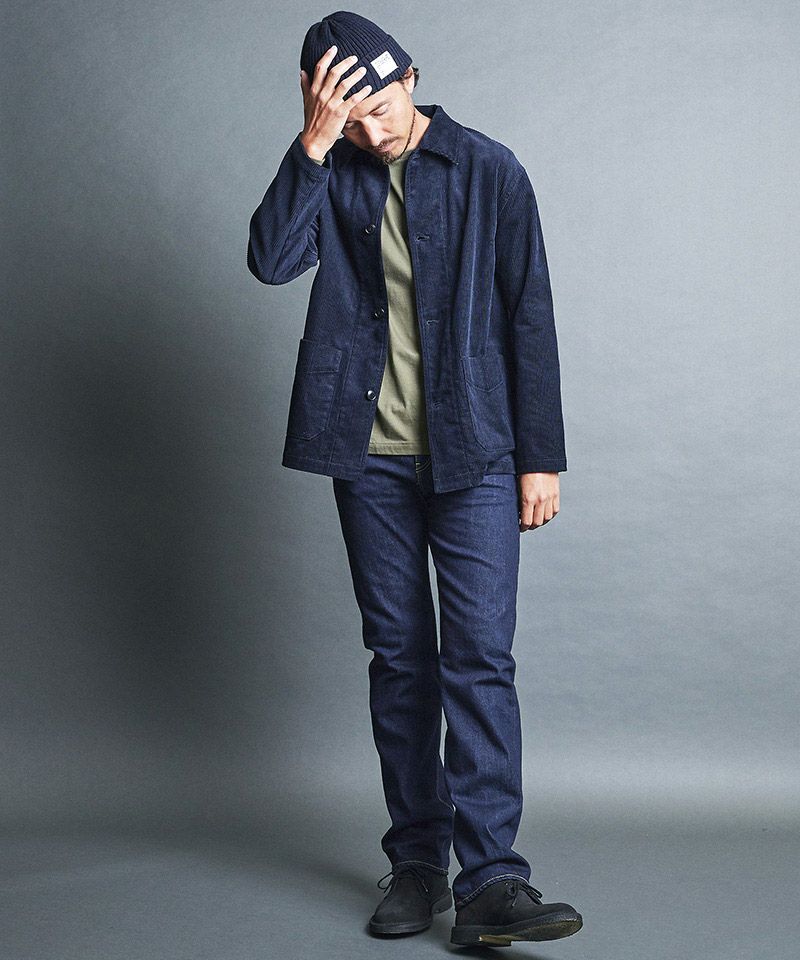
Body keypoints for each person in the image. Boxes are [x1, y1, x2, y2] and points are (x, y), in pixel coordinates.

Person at [247, 10, 582, 948]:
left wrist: (541, 456)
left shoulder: (489, 169)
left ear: (411, 79)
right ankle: (418, 865)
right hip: (368, 458)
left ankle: (494, 881)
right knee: (400, 660)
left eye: (381, 107)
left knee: (479, 658)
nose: (373, 130)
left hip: (477, 454)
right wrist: (313, 146)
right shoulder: (336, 163)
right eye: (350, 117)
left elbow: (529, 313)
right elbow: (271, 261)